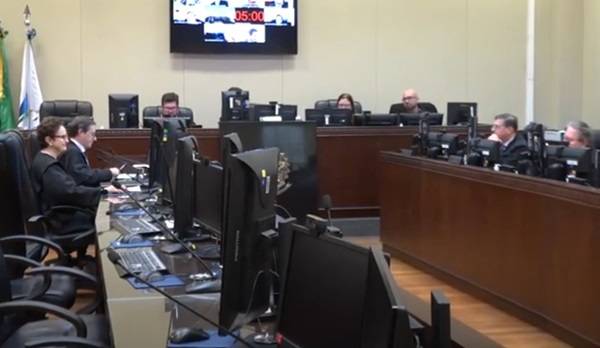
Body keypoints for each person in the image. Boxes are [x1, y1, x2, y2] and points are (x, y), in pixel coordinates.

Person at [30, 117, 118, 236]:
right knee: (103, 221)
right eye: (62, 137)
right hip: (60, 221)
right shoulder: (48, 166)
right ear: (49, 140)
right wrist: (103, 191)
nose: (67, 141)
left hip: (61, 216)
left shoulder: (44, 159)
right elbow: (71, 192)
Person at [60, 116, 120, 187]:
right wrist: (109, 173)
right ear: (81, 132)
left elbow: (85, 173)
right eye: (92, 134)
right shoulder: (72, 151)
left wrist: (104, 190)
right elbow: (83, 177)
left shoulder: (75, 149)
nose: (95, 139)